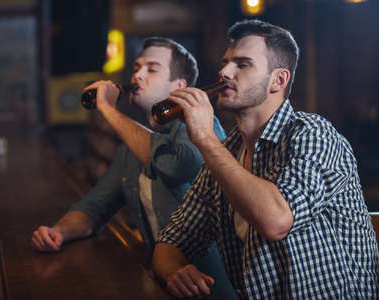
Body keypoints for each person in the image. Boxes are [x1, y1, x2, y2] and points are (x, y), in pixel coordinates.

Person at [153, 20, 378, 299]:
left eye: (242, 64)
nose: (224, 72)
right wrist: (175, 272)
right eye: (225, 63)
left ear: (278, 80)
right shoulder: (228, 152)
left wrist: (205, 138)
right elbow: (171, 240)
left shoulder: (313, 135)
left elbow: (276, 221)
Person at [31, 37, 237, 299]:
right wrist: (58, 232)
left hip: (212, 290)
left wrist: (106, 107)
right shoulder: (131, 149)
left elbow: (176, 165)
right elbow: (94, 207)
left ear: (180, 87)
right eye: (137, 67)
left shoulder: (201, 131)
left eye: (152, 69)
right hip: (164, 285)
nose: (137, 75)